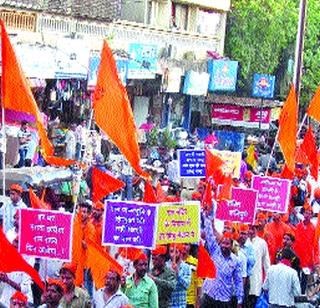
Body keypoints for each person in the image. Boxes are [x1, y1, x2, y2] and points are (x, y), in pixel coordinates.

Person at [201, 216, 243, 308]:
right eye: (223, 243)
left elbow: (238, 281)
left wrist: (240, 300)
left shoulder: (236, 261)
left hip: (224, 300)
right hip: (208, 296)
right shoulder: (214, 251)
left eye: (227, 244)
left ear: (231, 245)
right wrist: (208, 216)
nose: (224, 245)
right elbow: (209, 234)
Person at [71, 202, 96, 296]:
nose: (82, 214)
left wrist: (79, 237)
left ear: (89, 214)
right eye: (81, 211)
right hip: (73, 260)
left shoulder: (90, 228)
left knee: (85, 290)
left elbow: (87, 246)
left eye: (85, 212)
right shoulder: (75, 224)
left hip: (85, 264)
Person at [294, 205, 318, 293]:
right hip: (297, 257)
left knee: (304, 279)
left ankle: (302, 295)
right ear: (303, 214)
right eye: (306, 213)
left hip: (307, 259)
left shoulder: (313, 228)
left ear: (311, 216)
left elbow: (315, 246)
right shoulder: (298, 226)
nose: (307, 215)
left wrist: (314, 260)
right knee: (295, 277)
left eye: (309, 213)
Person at [248, 222, 270, 308]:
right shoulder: (243, 241)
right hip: (244, 281)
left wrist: (267, 282)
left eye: (253, 228)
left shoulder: (262, 243)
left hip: (256, 281)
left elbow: (266, 264)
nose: (251, 231)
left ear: (256, 229)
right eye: (249, 228)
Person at [167, 244, 191, 308]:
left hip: (180, 305)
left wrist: (177, 273)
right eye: (171, 251)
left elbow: (187, 285)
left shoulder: (186, 267)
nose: (173, 255)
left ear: (180, 253)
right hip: (168, 304)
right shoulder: (165, 266)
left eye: (176, 252)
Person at [181, 244, 203, 308]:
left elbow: (199, 284)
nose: (184, 246)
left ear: (190, 246)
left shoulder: (195, 262)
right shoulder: (173, 262)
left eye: (186, 244)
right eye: (182, 244)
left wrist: (198, 302)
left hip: (190, 302)